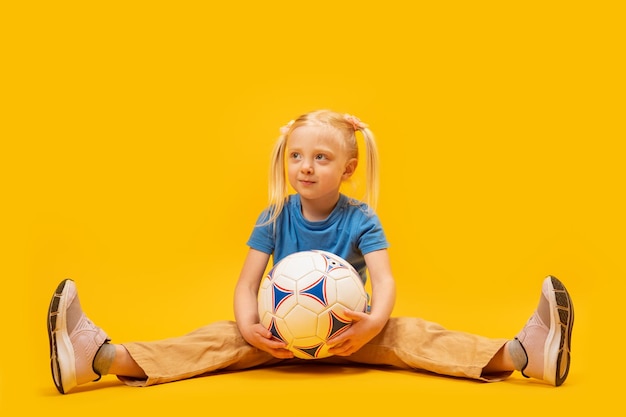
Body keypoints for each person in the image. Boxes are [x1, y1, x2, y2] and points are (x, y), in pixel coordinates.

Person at [47, 109, 574, 394]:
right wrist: (250, 325)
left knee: (414, 334)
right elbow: (247, 284)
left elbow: (385, 283)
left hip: (349, 335)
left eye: (321, 157)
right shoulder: (274, 216)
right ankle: (96, 359)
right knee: (215, 339)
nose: (305, 167)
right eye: (296, 156)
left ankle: (524, 355)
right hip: (279, 337)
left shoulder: (361, 217)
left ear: (346, 169)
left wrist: (371, 326)